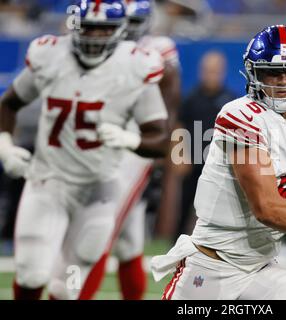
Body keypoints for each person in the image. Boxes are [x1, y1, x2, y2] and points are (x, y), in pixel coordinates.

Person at [150, 25, 286, 300]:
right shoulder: (240, 117)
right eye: (272, 71)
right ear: (254, 72)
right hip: (213, 266)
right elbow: (266, 208)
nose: (282, 81)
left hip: (260, 265)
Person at [0, 0, 169, 300]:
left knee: (68, 288)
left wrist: (132, 141)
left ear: (119, 31)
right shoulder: (50, 55)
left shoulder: (135, 65)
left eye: (103, 30)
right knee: (31, 273)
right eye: (89, 28)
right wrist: (4, 146)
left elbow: (159, 138)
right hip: (47, 183)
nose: (94, 37)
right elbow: (9, 104)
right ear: (75, 27)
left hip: (99, 193)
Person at [78, 0, 181, 300]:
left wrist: (164, 142)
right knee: (129, 242)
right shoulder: (100, 49)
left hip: (135, 147)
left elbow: (170, 96)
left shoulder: (156, 48)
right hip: (103, 142)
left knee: (100, 227)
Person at [176, 50, 236, 241]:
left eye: (215, 71)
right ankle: (178, 242)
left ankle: (219, 242)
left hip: (221, 164)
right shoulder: (191, 98)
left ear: (222, 72)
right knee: (186, 204)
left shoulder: (231, 100)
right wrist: (180, 156)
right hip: (194, 161)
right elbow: (179, 126)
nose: (211, 75)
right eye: (207, 70)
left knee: (223, 207)